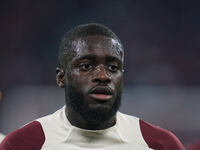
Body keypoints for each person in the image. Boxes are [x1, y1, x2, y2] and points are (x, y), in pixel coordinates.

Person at [0, 23, 185, 150]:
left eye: (113, 67)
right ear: (61, 77)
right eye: (86, 66)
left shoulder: (160, 144)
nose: (103, 76)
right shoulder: (23, 144)